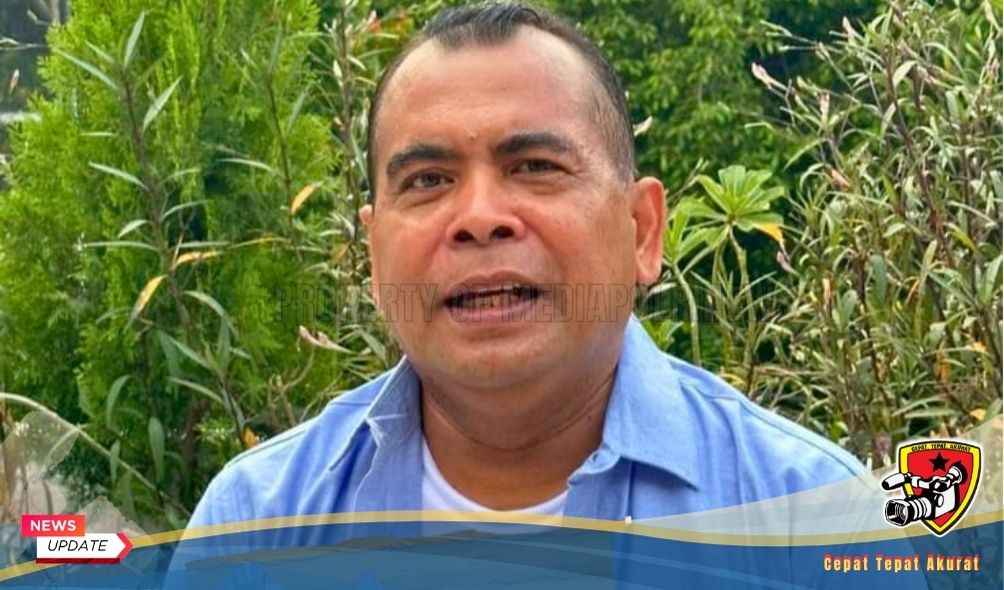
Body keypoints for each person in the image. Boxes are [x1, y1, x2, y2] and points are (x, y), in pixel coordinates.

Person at [187, 1, 864, 527]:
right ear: (374, 252)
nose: (480, 217)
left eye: (535, 166)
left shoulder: (812, 520)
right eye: (427, 180)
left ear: (641, 231)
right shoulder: (257, 524)